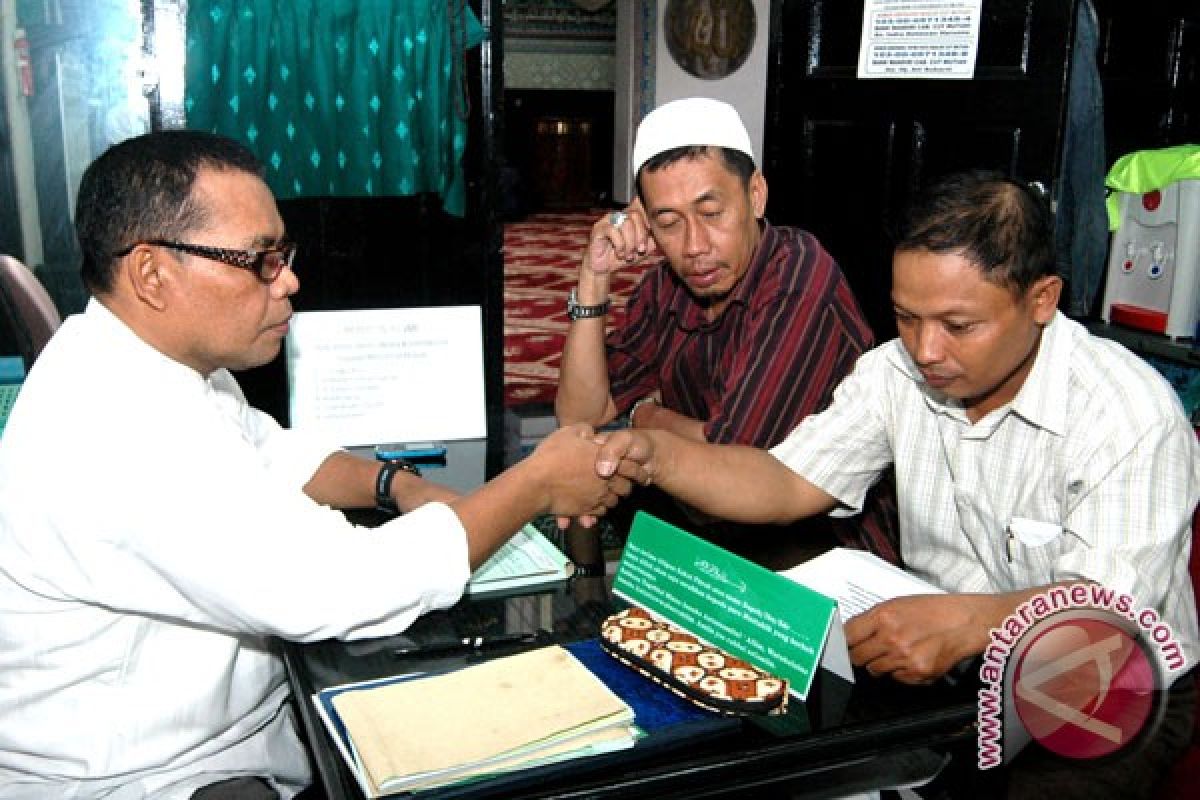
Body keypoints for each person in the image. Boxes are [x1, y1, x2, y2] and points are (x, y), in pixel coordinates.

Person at [0, 131, 638, 799]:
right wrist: (534, 483)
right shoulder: (120, 427)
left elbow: (273, 450)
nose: (290, 280)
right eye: (259, 261)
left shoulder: (151, 361)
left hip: (230, 733)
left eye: (284, 253)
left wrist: (399, 485)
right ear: (152, 274)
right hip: (154, 781)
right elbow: (342, 586)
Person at [602, 170, 1199, 797]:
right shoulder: (895, 373)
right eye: (907, 318)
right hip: (953, 671)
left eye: (958, 326)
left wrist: (975, 624)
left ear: (1042, 299)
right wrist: (655, 455)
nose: (926, 350)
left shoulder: (1128, 413)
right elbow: (782, 481)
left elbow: (1108, 614)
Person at [555, 96, 896, 568]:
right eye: (668, 222)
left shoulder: (799, 280)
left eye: (712, 214)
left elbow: (735, 462)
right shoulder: (664, 286)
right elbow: (581, 415)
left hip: (820, 559)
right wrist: (593, 279)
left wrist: (644, 418)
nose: (694, 247)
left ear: (755, 195)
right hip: (710, 536)